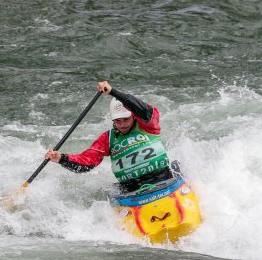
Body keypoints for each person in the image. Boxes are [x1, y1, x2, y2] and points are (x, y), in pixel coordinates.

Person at [45, 81, 173, 193]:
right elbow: (86, 162)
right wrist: (61, 158)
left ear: (133, 115)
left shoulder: (147, 124)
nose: (122, 124)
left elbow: (142, 108)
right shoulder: (107, 138)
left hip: (164, 180)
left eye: (125, 119)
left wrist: (113, 92)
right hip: (131, 190)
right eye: (117, 121)